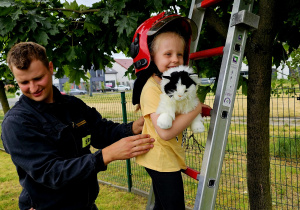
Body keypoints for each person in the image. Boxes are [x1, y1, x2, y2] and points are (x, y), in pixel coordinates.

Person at [1, 42, 155, 210]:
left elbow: (101, 131)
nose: (33, 87)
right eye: (24, 82)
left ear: (50, 68)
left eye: (38, 78)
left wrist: (133, 127)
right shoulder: (16, 122)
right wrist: (104, 156)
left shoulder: (73, 105)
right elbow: (52, 173)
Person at [130, 12, 206, 209]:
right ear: (151, 57)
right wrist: (195, 108)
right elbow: (164, 132)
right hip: (161, 162)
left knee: (162, 206)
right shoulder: (150, 89)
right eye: (168, 54)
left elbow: (177, 108)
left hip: (164, 158)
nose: (175, 59)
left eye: (179, 54)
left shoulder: (167, 83)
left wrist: (193, 107)